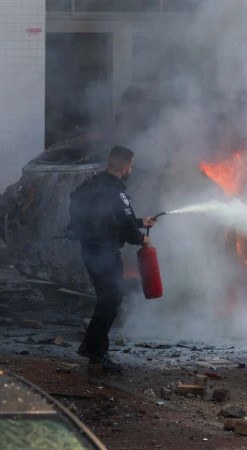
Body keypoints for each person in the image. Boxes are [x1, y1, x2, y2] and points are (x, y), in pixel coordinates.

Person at [73, 145, 156, 373]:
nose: (132, 170)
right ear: (125, 167)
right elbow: (126, 228)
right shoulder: (118, 192)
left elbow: (110, 219)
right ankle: (96, 352)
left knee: (106, 300)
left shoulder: (92, 185)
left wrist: (140, 222)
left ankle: (92, 348)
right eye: (132, 166)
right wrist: (141, 238)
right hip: (106, 254)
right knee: (110, 301)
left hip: (89, 250)